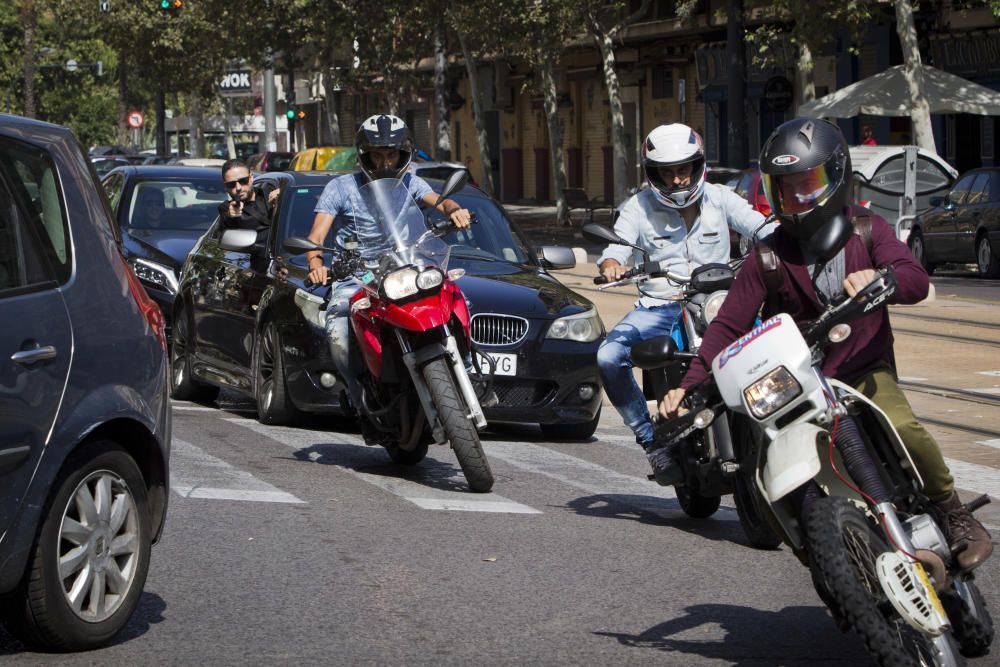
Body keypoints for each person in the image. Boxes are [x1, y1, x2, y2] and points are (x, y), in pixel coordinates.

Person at [660, 117, 992, 571]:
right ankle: (824, 558)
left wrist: (882, 278)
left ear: (838, 177)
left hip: (864, 372)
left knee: (905, 428)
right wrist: (688, 385)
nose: (797, 199)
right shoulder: (767, 256)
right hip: (796, 384)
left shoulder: (868, 231)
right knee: (766, 471)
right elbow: (727, 327)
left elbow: (913, 277)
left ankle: (952, 511)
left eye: (809, 185)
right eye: (785, 189)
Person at [595, 123, 769, 484]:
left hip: (717, 302)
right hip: (661, 307)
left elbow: (759, 226)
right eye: (667, 172)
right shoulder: (637, 207)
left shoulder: (721, 198)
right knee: (607, 356)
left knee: (775, 342)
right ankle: (651, 441)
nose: (677, 181)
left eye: (683, 170)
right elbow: (617, 246)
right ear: (653, 174)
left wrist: (783, 237)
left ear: (697, 165)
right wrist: (612, 264)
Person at [303, 114, 472, 443]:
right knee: (337, 320)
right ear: (364, 155)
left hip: (406, 265)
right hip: (359, 273)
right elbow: (316, 235)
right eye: (378, 155)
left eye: (391, 154)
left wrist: (454, 210)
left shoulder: (411, 181)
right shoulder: (340, 187)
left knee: (452, 295)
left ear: (403, 154)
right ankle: (358, 396)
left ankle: (465, 370)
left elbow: (439, 201)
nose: (385, 162)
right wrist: (316, 263)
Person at [218, 158, 280, 239]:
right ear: (226, 187)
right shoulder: (226, 208)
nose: (238, 187)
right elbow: (225, 223)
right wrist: (230, 216)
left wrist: (283, 193)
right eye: (231, 184)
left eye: (243, 181)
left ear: (251, 178)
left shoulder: (269, 191)